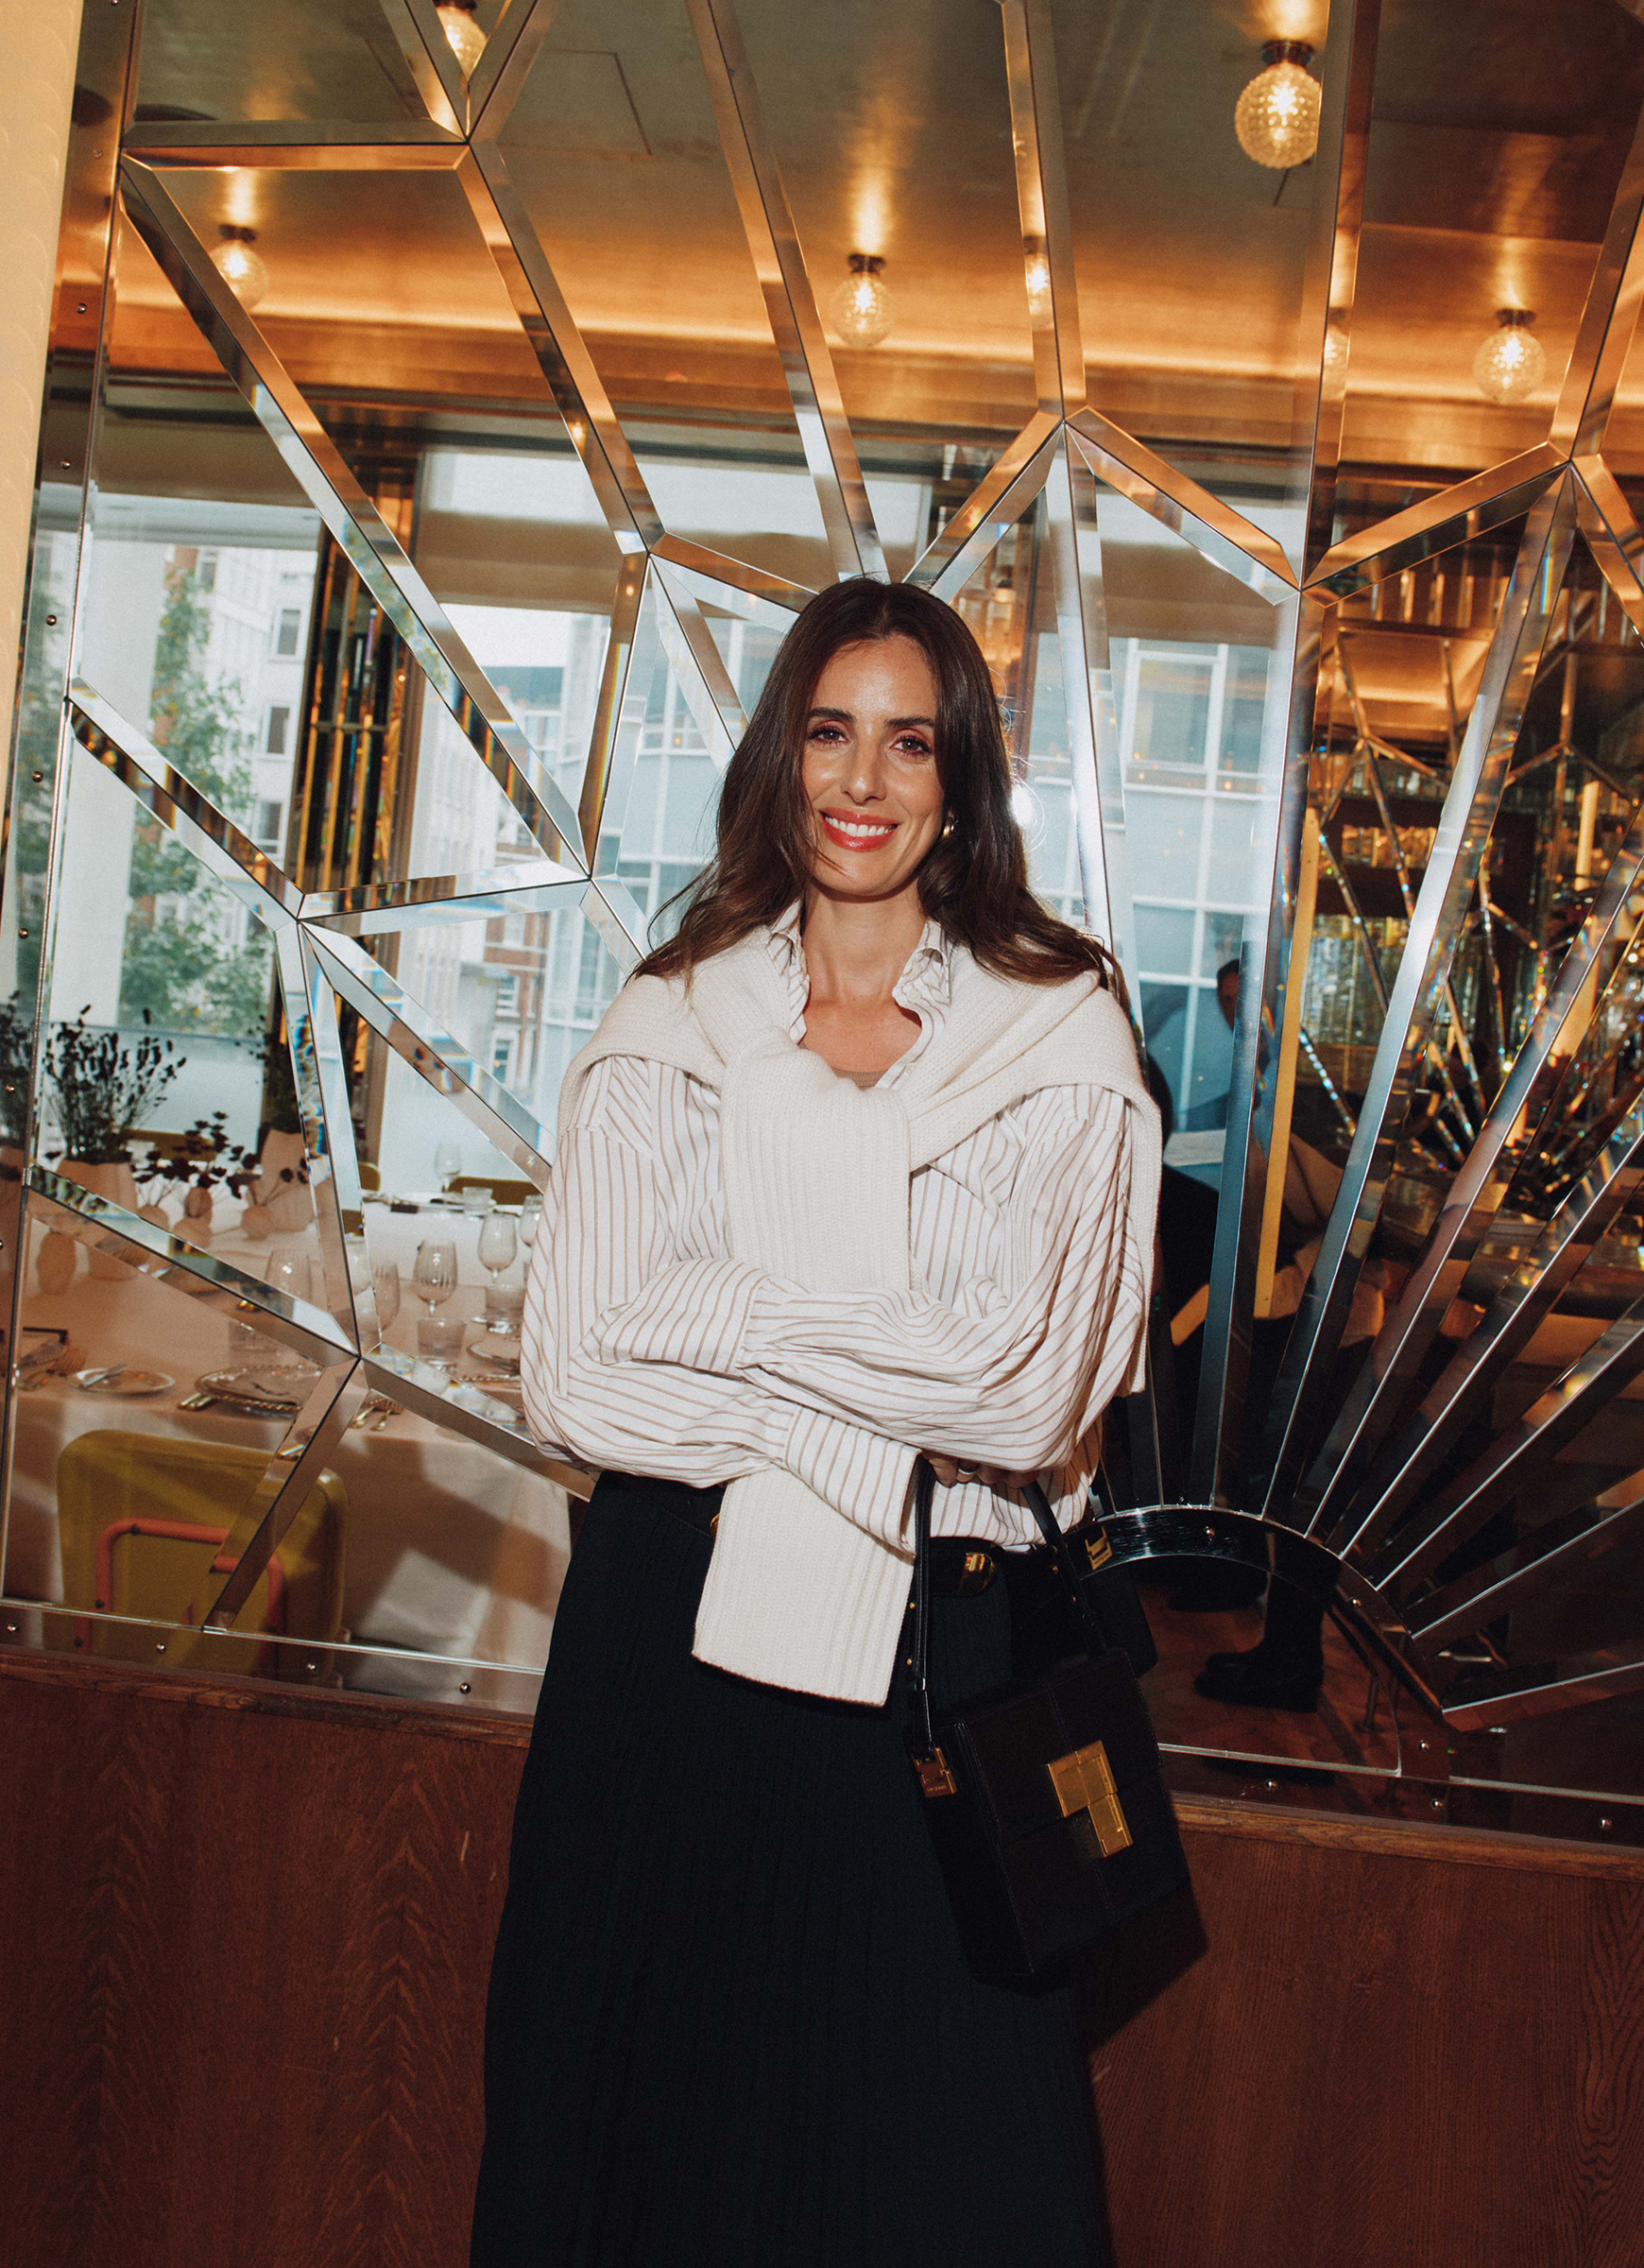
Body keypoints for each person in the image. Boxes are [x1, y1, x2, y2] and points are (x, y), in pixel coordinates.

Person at [471, 577, 1160, 2268]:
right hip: (667, 1644)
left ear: (960, 780)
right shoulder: (672, 1017)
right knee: (637, 2148)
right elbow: (576, 1378)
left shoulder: (1058, 1035)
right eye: (830, 732)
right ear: (780, 757)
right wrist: (890, 1387)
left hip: (947, 1660)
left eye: (909, 742)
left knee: (938, 2176)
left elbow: (1027, 1394)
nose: (863, 780)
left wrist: (733, 1314)